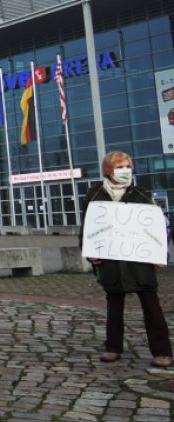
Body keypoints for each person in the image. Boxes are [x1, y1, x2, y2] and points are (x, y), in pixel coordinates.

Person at [80, 151, 173, 368]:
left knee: (152, 307)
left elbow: (155, 228)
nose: (125, 171)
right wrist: (89, 250)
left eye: (128, 167)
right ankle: (113, 348)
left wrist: (160, 254)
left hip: (139, 261)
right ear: (109, 170)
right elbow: (87, 228)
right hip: (111, 261)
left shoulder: (140, 194)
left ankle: (162, 351)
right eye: (120, 167)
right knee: (114, 307)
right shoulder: (95, 195)